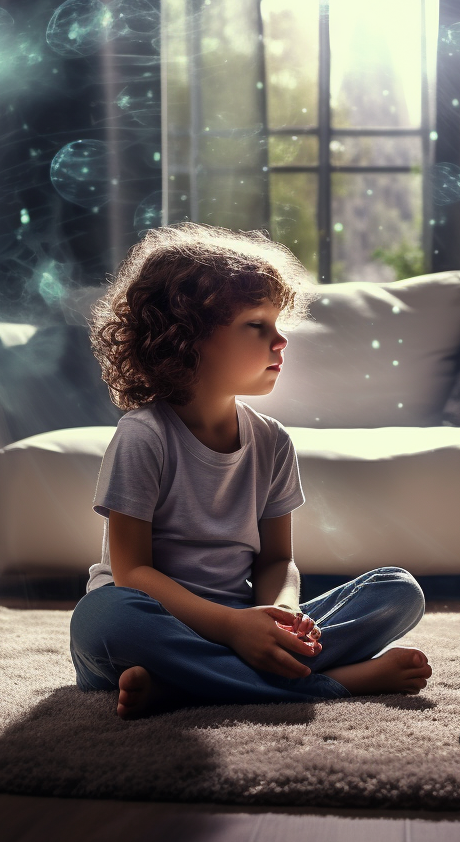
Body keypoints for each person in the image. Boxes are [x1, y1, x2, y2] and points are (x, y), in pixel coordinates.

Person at [69, 221, 432, 719]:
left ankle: (183, 687)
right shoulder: (143, 435)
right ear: (187, 338)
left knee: (397, 591)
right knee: (106, 618)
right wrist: (233, 629)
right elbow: (132, 573)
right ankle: (335, 685)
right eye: (256, 325)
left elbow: (276, 561)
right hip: (155, 620)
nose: (280, 341)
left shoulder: (273, 441)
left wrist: (281, 614)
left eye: (279, 324)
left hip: (245, 622)